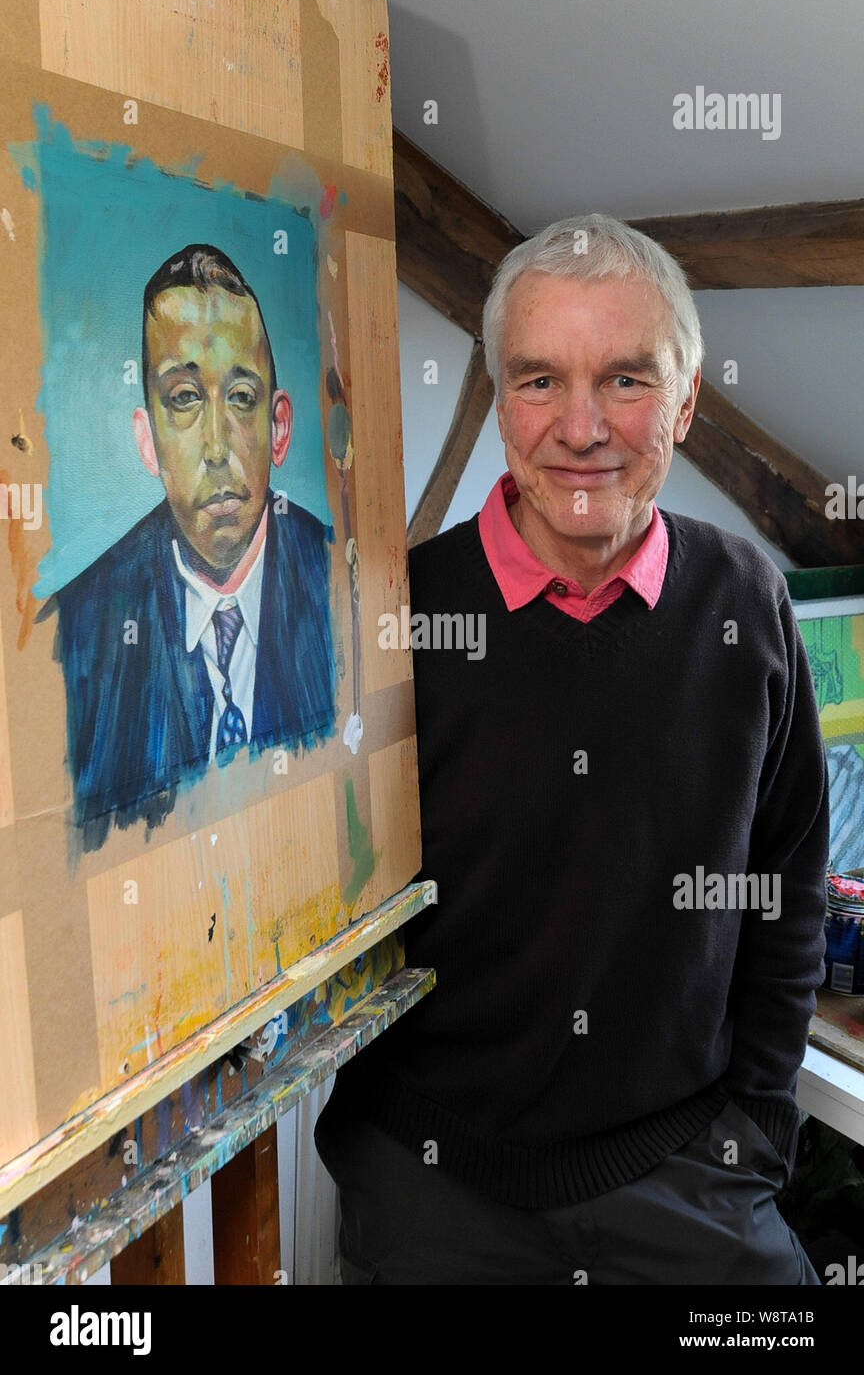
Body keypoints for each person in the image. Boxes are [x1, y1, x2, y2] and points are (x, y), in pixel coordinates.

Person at [314, 214, 830, 1285]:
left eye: (628, 381)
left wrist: (758, 1130)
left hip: (687, 1177)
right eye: (539, 380)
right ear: (502, 398)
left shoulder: (751, 603)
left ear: (687, 402)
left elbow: (788, 892)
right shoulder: (397, 618)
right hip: (438, 1184)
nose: (581, 426)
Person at [53, 245, 335, 846]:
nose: (215, 447)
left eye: (240, 398)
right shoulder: (78, 634)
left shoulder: (345, 588)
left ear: (278, 428)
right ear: (148, 439)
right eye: (184, 398)